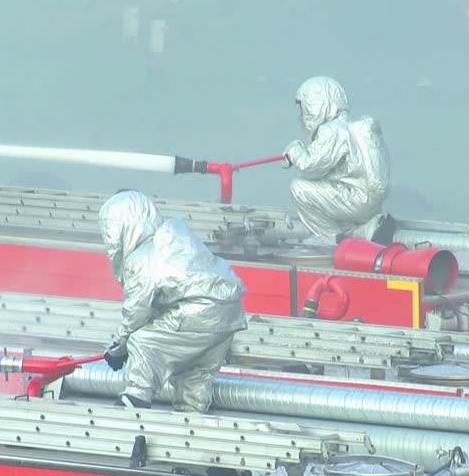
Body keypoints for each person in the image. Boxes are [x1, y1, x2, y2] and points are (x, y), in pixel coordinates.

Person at [98, 189, 247, 412]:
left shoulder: (142, 258)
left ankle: (135, 400)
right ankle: (190, 416)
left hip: (199, 311)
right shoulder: (175, 240)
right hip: (230, 312)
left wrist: (118, 348)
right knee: (195, 372)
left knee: (142, 341)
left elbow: (136, 312)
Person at [282, 76, 393, 245]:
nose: (301, 116)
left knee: (298, 187)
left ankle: (331, 239)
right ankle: (361, 231)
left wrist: (294, 150)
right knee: (330, 186)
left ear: (316, 105)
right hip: (369, 202)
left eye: (303, 108)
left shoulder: (332, 131)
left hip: (355, 200)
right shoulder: (356, 128)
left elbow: (310, 166)